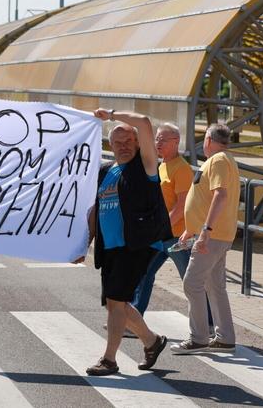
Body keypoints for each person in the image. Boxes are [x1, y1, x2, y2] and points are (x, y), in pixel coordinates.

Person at [84, 109, 172, 376]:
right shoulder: (105, 171)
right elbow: (94, 211)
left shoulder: (145, 166)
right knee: (116, 303)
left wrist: (110, 114)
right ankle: (152, 341)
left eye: (128, 142)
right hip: (110, 247)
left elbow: (145, 122)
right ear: (110, 145)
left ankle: (109, 359)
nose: (123, 147)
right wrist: (84, 245)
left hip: (137, 244)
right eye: (118, 142)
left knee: (116, 300)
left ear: (137, 143)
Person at [171, 124, 239, 354]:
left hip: (212, 235)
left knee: (192, 283)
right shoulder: (224, 159)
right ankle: (225, 337)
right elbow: (205, 198)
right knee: (214, 286)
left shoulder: (218, 160)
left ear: (208, 139)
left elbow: (220, 195)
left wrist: (205, 231)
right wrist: (192, 229)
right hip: (216, 234)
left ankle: (199, 337)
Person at [131, 123, 194, 313]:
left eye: (162, 139)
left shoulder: (181, 169)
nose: (158, 143)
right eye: (156, 138)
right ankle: (134, 320)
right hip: (159, 236)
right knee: (143, 274)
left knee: (191, 282)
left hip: (176, 237)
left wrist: (160, 227)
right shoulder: (162, 165)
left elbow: (183, 205)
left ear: (176, 142)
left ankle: (208, 323)